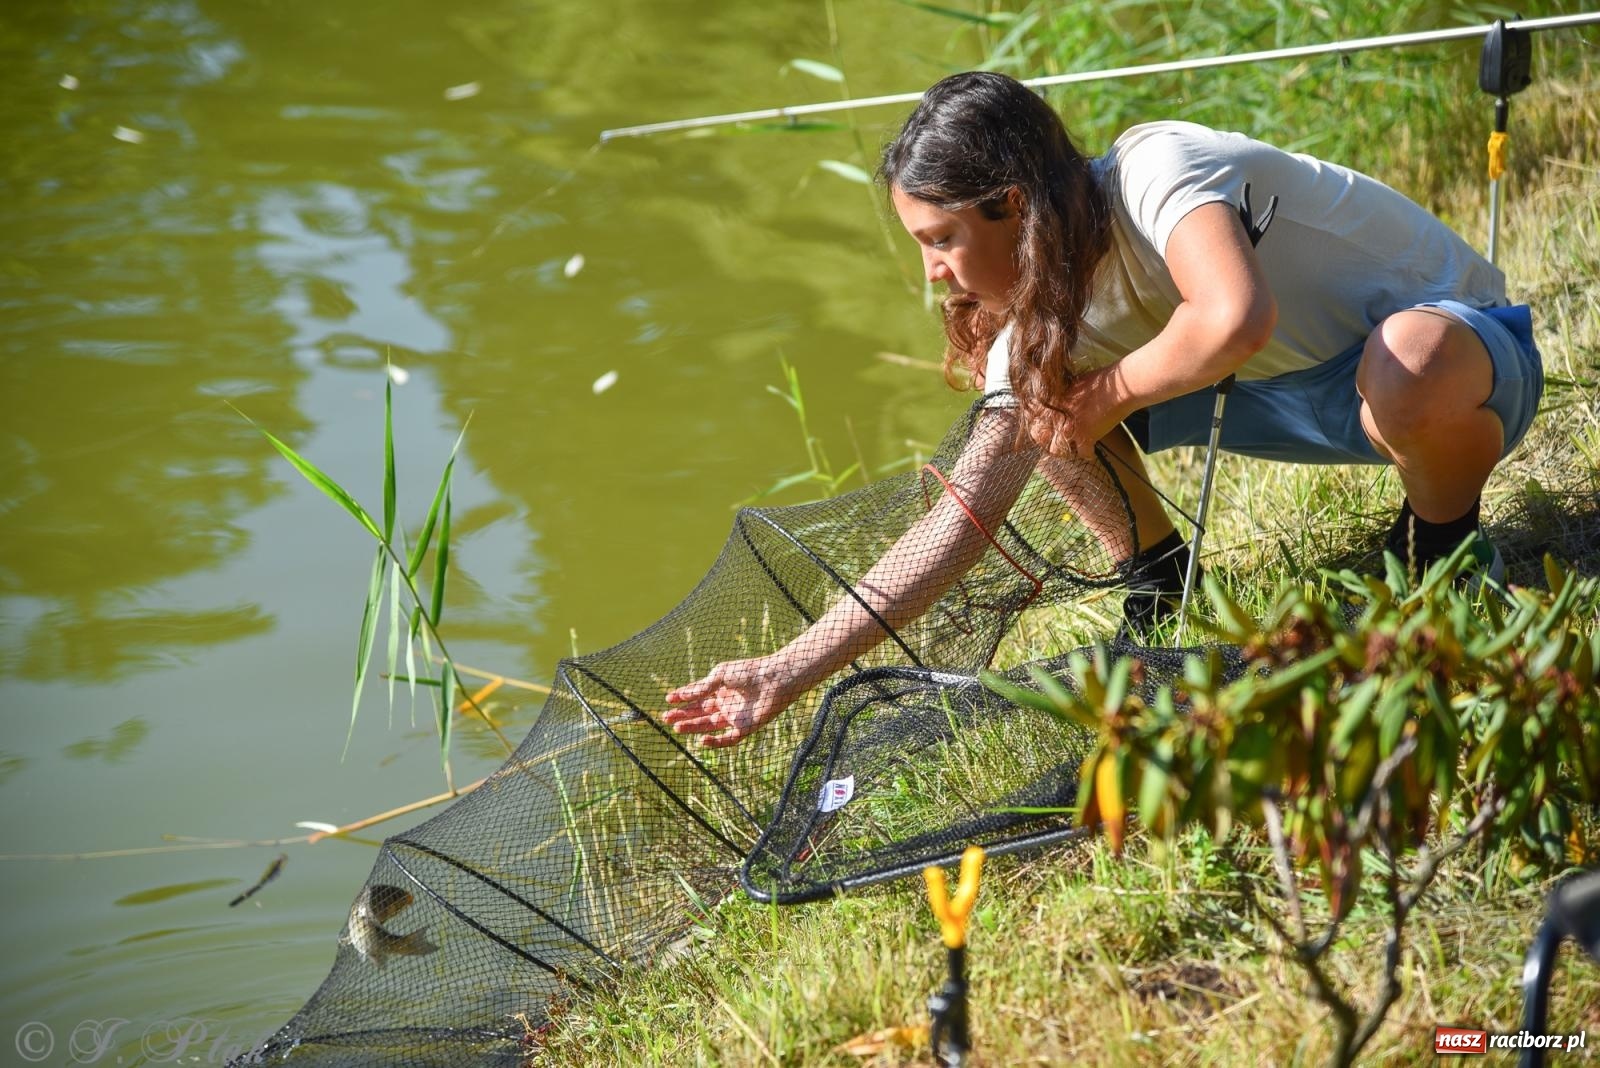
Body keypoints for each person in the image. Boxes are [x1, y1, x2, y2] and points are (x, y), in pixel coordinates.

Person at [663, 71, 1542, 748]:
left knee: (1407, 367)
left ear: (1009, 204)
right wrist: (788, 668)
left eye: (941, 241)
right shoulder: (1032, 326)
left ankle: (1446, 545)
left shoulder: (1156, 168)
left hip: (1462, 361)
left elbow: (1235, 316)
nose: (933, 272)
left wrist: (1104, 397)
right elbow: (958, 523)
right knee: (1032, 401)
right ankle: (1157, 575)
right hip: (1296, 403)